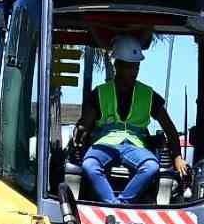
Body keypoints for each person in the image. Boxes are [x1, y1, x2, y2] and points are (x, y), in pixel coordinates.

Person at [73, 35, 188, 205]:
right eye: (129, 67)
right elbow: (85, 123)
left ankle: (120, 204)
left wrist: (177, 156)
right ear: (117, 65)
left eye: (136, 67)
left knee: (151, 167)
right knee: (89, 165)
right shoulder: (99, 93)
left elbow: (169, 128)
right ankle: (115, 204)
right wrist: (81, 131)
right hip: (105, 144)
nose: (134, 71)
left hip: (136, 146)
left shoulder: (148, 94)